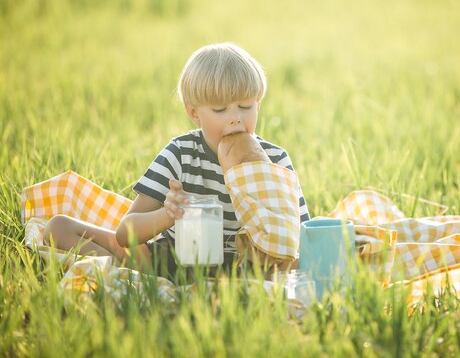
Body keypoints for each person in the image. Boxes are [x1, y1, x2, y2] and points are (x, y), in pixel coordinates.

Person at [44, 43, 310, 279]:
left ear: (258, 105)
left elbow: (297, 238)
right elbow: (124, 234)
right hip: (175, 261)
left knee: (308, 262)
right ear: (194, 113)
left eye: (246, 106)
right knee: (59, 227)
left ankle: (130, 275)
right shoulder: (181, 154)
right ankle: (121, 271)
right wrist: (167, 215)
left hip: (248, 268)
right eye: (219, 109)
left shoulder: (275, 160)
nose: (235, 118)